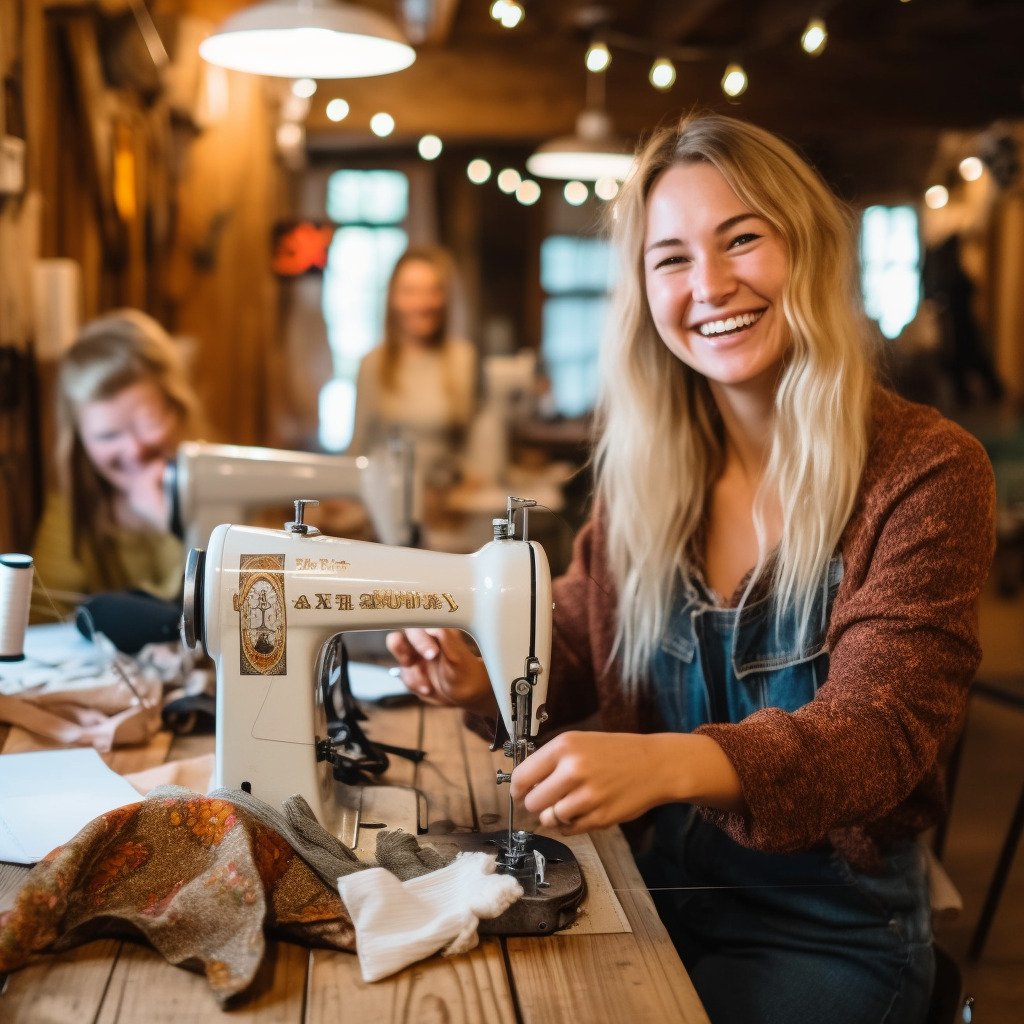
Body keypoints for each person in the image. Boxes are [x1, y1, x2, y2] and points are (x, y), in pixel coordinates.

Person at [385, 115, 995, 1024]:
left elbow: (879, 734)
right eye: (671, 258)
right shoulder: (647, 476)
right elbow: (583, 651)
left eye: (742, 238)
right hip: (648, 893)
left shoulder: (926, 473)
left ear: (811, 251)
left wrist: (671, 762)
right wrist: (481, 676)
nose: (710, 284)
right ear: (642, 290)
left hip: (829, 933)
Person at [31, 309, 203, 620]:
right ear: (80, 440)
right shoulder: (71, 514)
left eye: (147, 423)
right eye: (108, 435)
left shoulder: (222, 497)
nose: (134, 450)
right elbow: (40, 617)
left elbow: (206, 610)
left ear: (176, 409)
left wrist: (172, 522)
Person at [348, 245, 478, 500]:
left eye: (432, 291)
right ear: (393, 299)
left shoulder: (463, 358)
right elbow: (357, 447)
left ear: (444, 298)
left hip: (446, 503)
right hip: (384, 500)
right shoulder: (372, 363)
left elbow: (472, 447)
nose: (422, 303)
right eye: (410, 292)